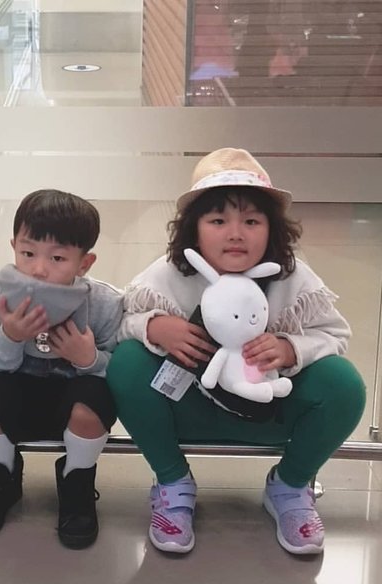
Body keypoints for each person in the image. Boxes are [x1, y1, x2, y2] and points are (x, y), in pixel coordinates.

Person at [107, 148, 365, 555]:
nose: (235, 233)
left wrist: (290, 348)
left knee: (344, 384)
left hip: (271, 410)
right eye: (218, 220)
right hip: (187, 408)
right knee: (126, 364)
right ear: (193, 230)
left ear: (272, 230)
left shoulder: (291, 276)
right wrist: (154, 327)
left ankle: (290, 486)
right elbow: (117, 325)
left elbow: (335, 334)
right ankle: (173, 483)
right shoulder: (168, 274)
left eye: (251, 221)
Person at [0, 189, 123, 549]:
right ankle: (0, 476)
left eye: (58, 258)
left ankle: (77, 481)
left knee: (96, 397)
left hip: (75, 404)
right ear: (13, 247)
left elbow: (119, 373)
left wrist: (88, 358)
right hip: (17, 399)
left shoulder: (105, 302)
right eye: (28, 253)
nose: (38, 268)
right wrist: (10, 336)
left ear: (84, 263)